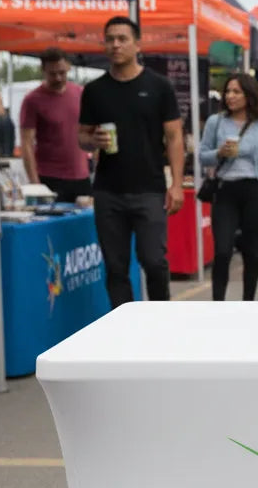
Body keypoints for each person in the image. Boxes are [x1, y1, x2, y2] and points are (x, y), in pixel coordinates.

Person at [78, 16, 185, 307]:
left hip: (149, 189)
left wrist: (176, 185)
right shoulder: (94, 90)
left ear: (138, 44)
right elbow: (82, 137)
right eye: (110, 39)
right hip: (108, 190)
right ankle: (123, 331)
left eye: (122, 38)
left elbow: (175, 137)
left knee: (154, 261)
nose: (115, 45)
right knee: (115, 267)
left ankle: (161, 321)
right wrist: (92, 141)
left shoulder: (159, 86)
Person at [200, 74, 258, 301]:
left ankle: (248, 303)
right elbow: (202, 156)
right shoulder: (215, 122)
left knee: (250, 251)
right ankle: (218, 303)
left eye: (236, 92)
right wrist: (219, 153)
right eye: (228, 91)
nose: (230, 96)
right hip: (225, 191)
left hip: (255, 192)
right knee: (223, 251)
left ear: (249, 95)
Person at [20, 48, 91, 202]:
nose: (58, 78)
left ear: (69, 67)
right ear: (43, 71)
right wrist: (35, 184)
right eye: (52, 74)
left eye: (62, 72)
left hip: (82, 176)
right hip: (50, 178)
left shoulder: (81, 93)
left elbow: (91, 131)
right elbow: (26, 142)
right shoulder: (33, 100)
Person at [0, 94, 15, 159]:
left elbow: (7, 141)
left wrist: (6, 154)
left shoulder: (4, 119)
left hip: (2, 155)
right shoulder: (3, 118)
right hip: (2, 154)